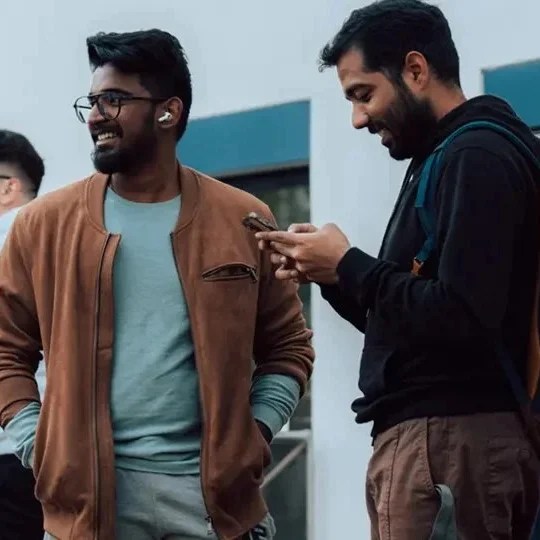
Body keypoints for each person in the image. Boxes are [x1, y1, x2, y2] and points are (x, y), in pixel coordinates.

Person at [0, 30, 314, 540]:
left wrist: (254, 435)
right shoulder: (42, 226)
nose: (96, 115)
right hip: (90, 507)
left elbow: (288, 346)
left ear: (168, 112)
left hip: (214, 502)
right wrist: (38, 443)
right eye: (93, 101)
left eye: (115, 100)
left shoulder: (242, 218)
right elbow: (6, 349)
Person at [256, 1, 540, 538]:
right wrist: (333, 274)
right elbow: (418, 324)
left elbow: (462, 318)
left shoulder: (475, 154)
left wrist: (349, 263)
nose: (358, 119)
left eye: (364, 95)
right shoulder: (449, 156)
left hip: (446, 449)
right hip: (445, 449)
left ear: (415, 69)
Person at [0, 129, 44, 540]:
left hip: (12, 445)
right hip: (47, 440)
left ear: (7, 187)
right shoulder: (61, 238)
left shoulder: (10, 237)